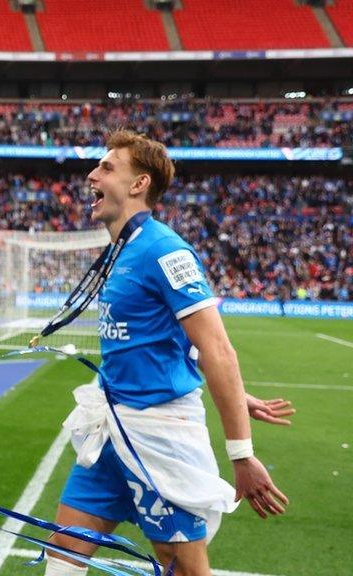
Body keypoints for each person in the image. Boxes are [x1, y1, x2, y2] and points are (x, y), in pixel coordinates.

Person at [44, 131, 290, 576]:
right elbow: (161, 340)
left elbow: (217, 348)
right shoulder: (122, 251)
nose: (91, 175)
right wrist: (237, 394)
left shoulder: (165, 250)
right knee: (63, 549)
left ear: (139, 184)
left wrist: (241, 453)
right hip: (110, 431)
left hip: (156, 438)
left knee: (184, 569)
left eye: (107, 167)